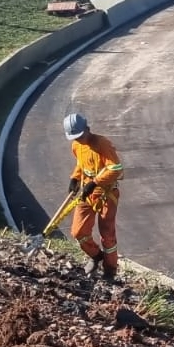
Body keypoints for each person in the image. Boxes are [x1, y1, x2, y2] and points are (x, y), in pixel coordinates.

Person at [63, 112, 123, 280]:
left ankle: (110, 270)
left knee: (108, 235)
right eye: (75, 137)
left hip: (106, 194)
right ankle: (96, 256)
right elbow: (81, 164)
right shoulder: (76, 146)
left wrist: (95, 182)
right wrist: (74, 177)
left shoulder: (102, 144)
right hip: (86, 193)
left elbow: (115, 168)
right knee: (78, 232)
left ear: (87, 129)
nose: (79, 140)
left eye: (81, 136)